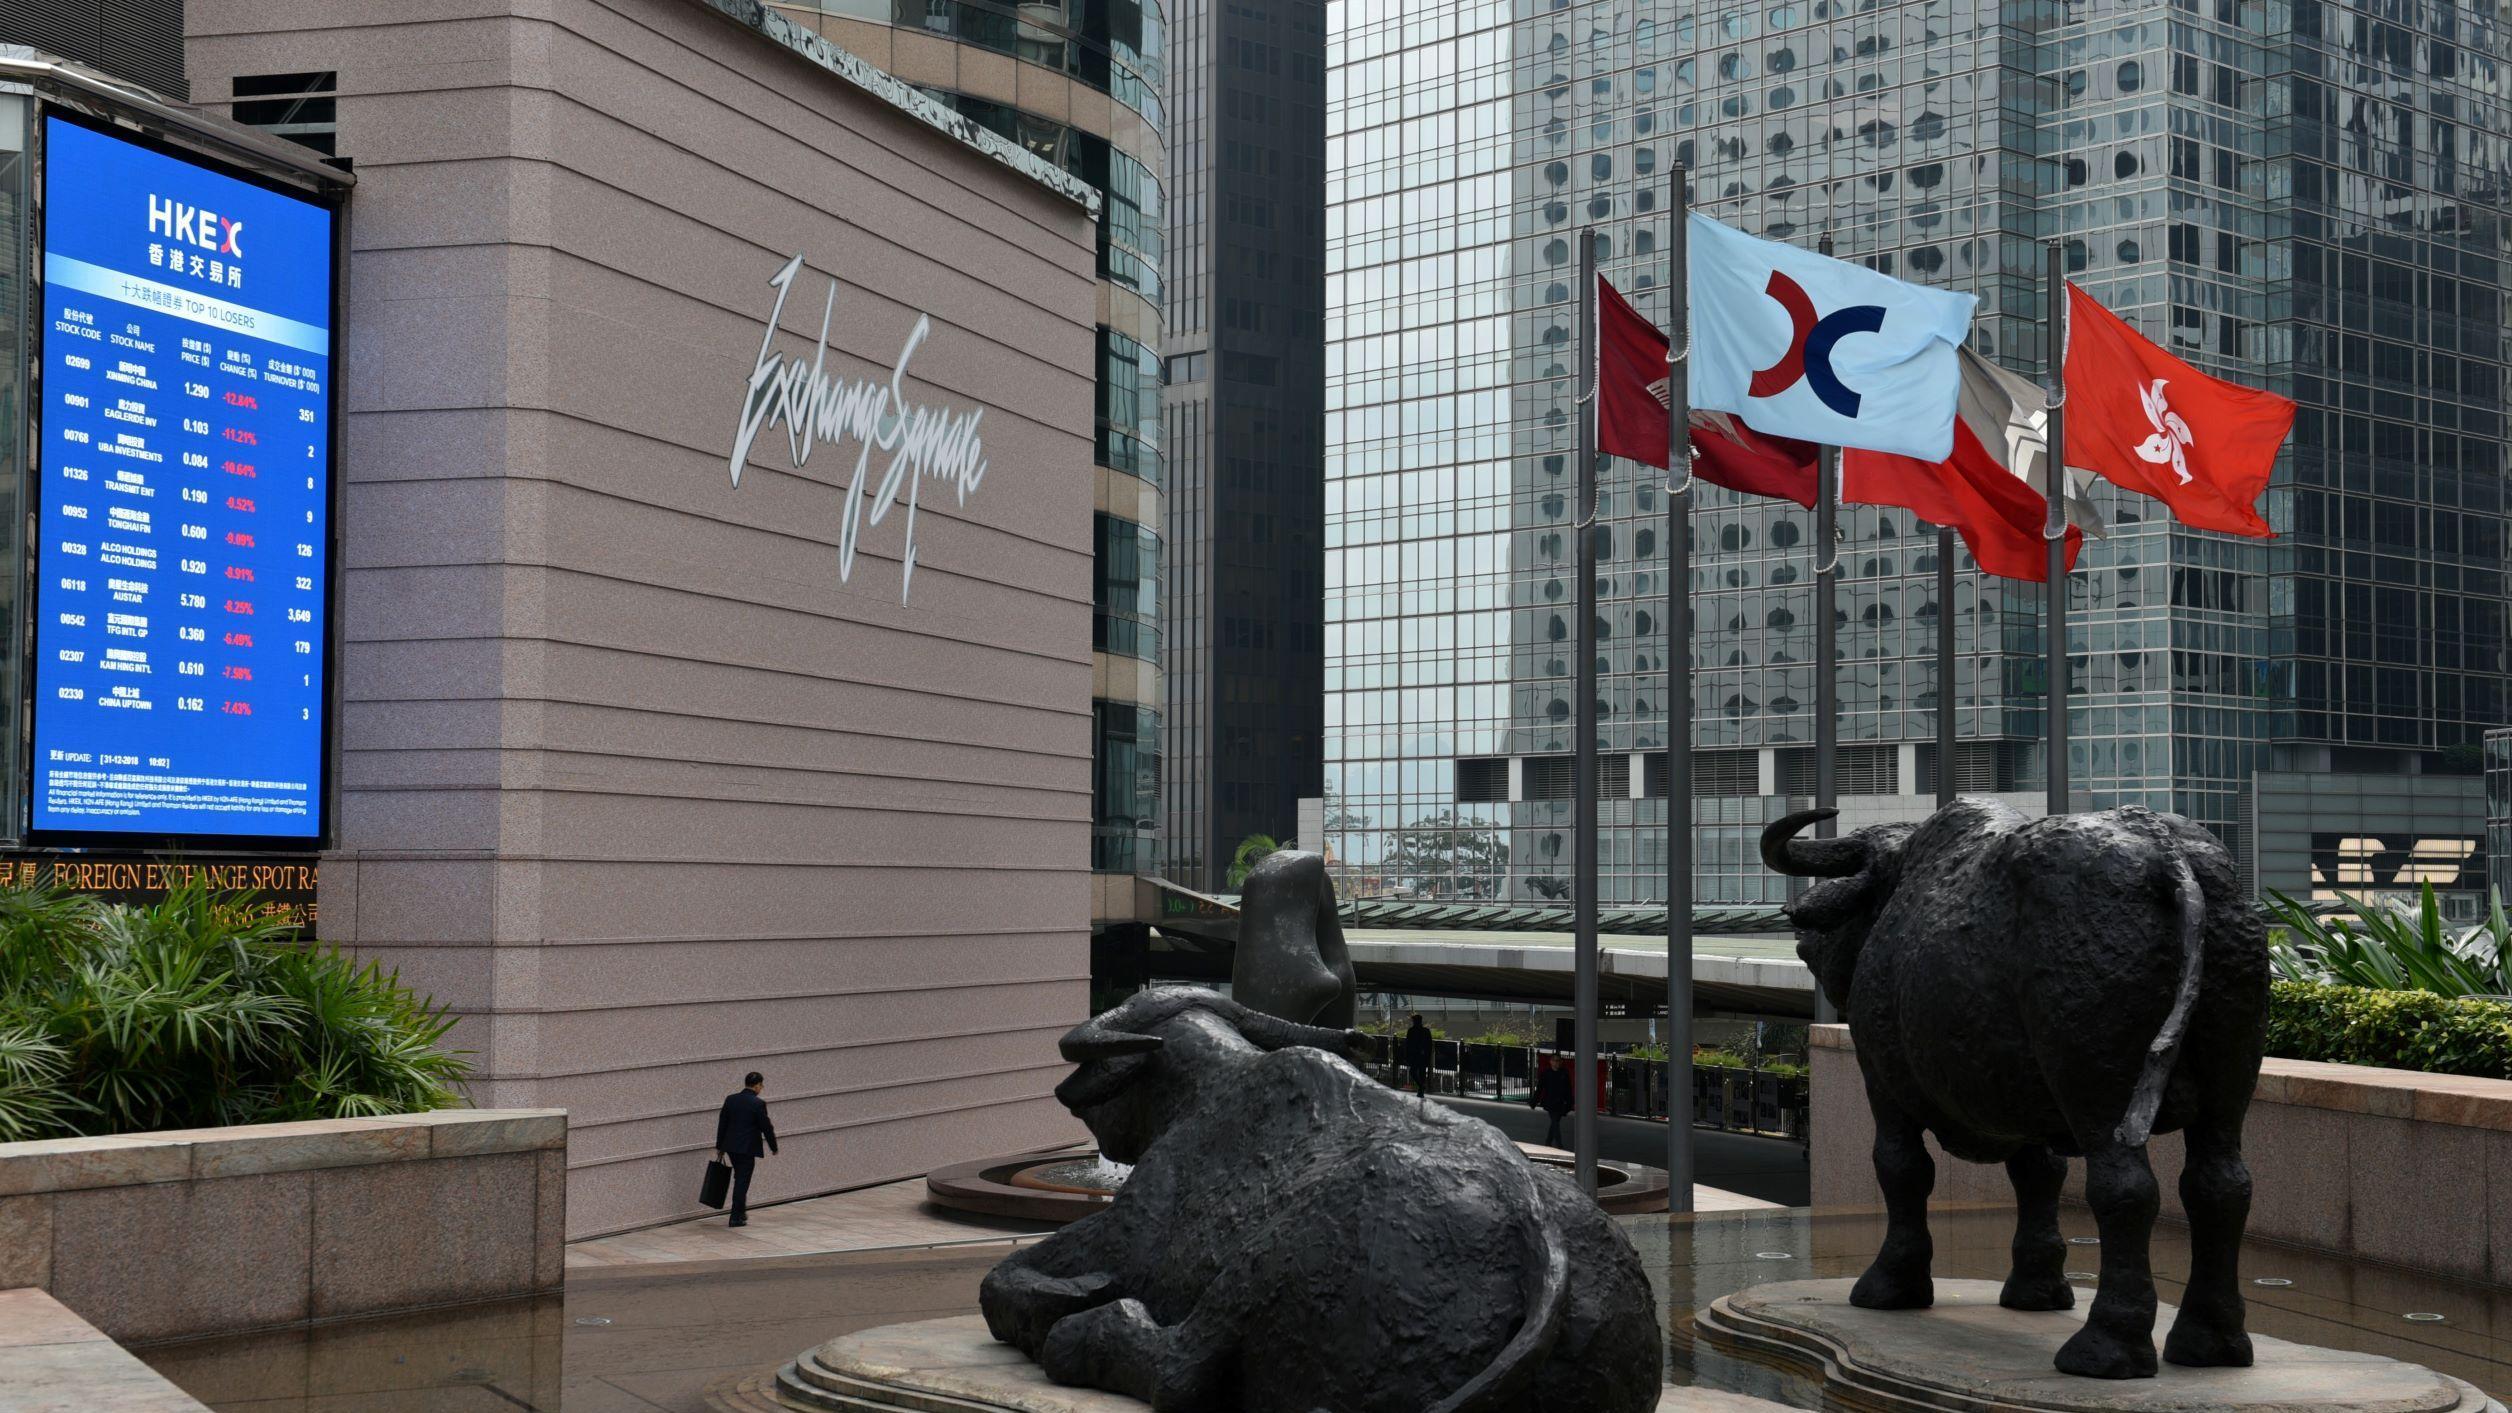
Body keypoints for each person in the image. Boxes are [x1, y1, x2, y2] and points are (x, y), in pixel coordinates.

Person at [714, 1070, 778, 1227]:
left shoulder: (731, 1099)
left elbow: (723, 1123)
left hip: (731, 1147)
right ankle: (735, 1217)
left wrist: (720, 1146)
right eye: (761, 1085)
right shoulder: (758, 1103)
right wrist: (773, 1146)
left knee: (740, 1178)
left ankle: (741, 1212)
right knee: (742, 1181)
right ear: (757, 1085)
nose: (761, 1088)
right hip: (747, 1149)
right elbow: (766, 1127)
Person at [1536, 1057, 1573, 1149]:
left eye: (1558, 1061)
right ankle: (1559, 1144)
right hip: (1550, 1102)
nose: (1557, 1063)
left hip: (1560, 1102)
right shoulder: (1546, 1073)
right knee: (1555, 1122)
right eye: (1555, 1061)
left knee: (1554, 1122)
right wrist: (1535, 1100)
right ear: (1551, 1062)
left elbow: (1568, 1089)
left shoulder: (1564, 1073)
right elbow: (1540, 1087)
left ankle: (1548, 1141)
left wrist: (1569, 1102)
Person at [1402, 1014, 1435, 1096]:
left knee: (1414, 1072)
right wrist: (1428, 1055)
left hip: (1415, 1055)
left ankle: (1421, 1088)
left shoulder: (1411, 1031)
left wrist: (1407, 1055)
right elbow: (1429, 1045)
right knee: (1421, 1073)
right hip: (1422, 1056)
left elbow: (1408, 1044)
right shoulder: (1425, 1031)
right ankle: (1421, 1088)